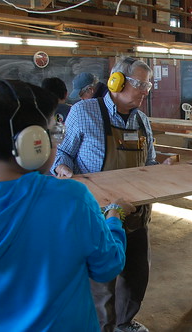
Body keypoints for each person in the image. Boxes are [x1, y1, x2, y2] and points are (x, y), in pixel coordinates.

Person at [0, 79, 134, 331]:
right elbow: (107, 266)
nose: (56, 142)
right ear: (33, 142)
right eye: (52, 132)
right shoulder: (70, 198)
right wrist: (114, 216)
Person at [52, 57, 170, 332]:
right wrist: (68, 176)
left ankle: (124, 323)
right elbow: (63, 154)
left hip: (136, 214)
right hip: (97, 217)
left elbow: (149, 163)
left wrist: (161, 171)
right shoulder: (84, 112)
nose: (146, 90)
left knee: (137, 277)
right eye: (141, 84)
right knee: (102, 283)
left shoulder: (142, 121)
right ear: (117, 81)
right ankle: (102, 327)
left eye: (148, 85)